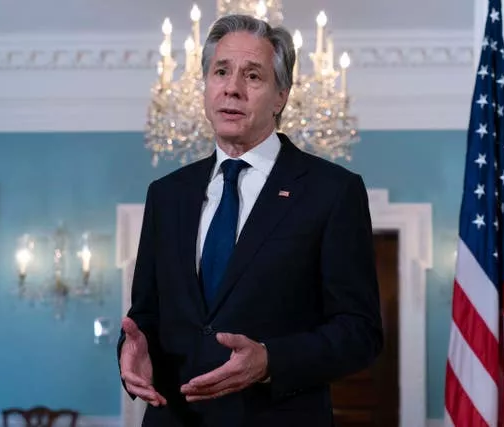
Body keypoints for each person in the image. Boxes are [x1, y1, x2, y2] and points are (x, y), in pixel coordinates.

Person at [118, 13, 383, 427]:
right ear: (205, 85)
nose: (232, 88)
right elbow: (147, 316)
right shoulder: (166, 195)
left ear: (281, 96)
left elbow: (360, 332)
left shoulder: (332, 192)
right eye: (220, 71)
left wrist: (270, 360)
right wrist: (132, 351)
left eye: (253, 76)